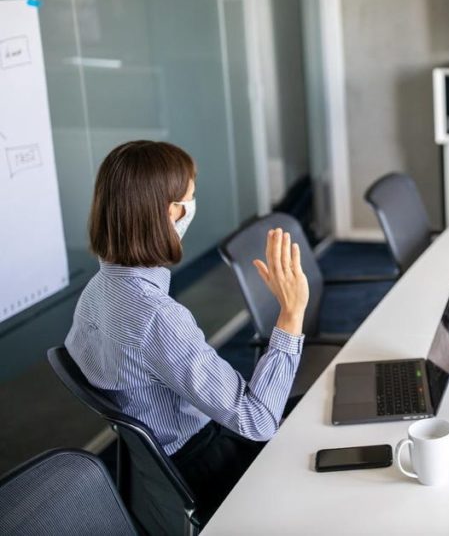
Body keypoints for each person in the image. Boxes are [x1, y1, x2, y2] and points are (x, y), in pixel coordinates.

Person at [65, 141, 310, 518]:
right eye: (190, 199)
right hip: (211, 464)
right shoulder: (156, 317)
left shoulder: (97, 290)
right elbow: (256, 422)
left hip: (161, 469)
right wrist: (291, 316)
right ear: (170, 212)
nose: (192, 209)